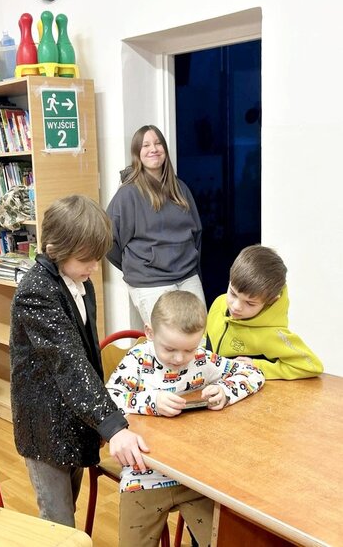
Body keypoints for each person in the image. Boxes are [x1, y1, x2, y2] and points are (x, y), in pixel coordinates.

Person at [9, 195, 149, 528]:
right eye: (87, 259)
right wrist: (113, 426)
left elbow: (87, 354)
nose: (95, 268)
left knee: (68, 507)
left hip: (74, 416)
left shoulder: (81, 282)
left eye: (97, 258)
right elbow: (69, 363)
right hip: (45, 426)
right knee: (57, 524)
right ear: (55, 249)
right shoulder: (36, 292)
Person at [105, 290, 265, 547]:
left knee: (225, 539)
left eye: (189, 349)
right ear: (150, 333)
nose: (179, 359)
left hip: (197, 478)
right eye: (169, 349)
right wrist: (151, 401)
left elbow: (252, 373)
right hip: (143, 477)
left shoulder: (201, 359)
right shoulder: (137, 360)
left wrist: (225, 391)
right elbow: (106, 401)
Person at [106, 124, 205, 324]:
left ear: (165, 150)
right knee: (166, 339)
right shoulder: (128, 194)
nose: (153, 149)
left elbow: (196, 234)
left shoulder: (180, 188)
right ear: (137, 153)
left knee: (199, 335)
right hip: (150, 282)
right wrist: (136, 266)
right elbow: (108, 241)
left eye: (158, 143)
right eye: (146, 145)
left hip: (187, 276)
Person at [206, 244, 323, 380]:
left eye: (250, 303)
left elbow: (311, 366)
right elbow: (204, 335)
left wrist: (258, 366)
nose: (236, 306)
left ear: (271, 301)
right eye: (233, 293)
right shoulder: (219, 302)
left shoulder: (272, 333)